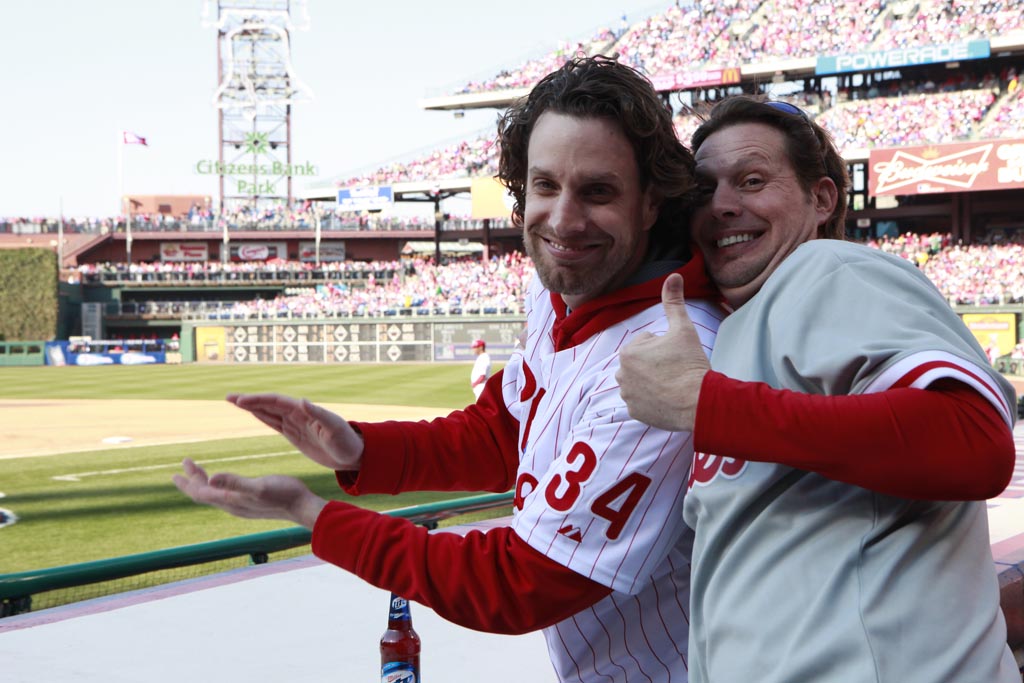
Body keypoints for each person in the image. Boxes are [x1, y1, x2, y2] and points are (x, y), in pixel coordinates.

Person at [174, 55, 723, 682]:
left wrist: (311, 513)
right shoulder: (565, 294)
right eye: (546, 186)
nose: (564, 219)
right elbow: (507, 431)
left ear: (651, 203)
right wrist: (361, 450)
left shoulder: (670, 357)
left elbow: (517, 583)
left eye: (598, 191)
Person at [616, 95, 1018, 682]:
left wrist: (707, 405)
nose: (723, 205)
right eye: (704, 192)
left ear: (821, 199)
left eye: (752, 181)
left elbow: (973, 440)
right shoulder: (742, 327)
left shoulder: (827, 268)